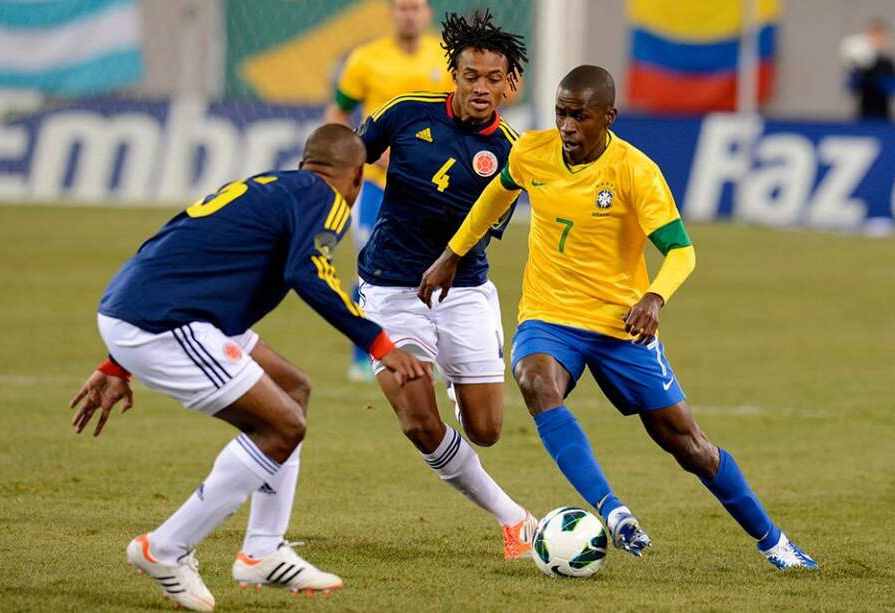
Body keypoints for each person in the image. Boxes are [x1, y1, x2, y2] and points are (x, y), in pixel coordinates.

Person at [419, 65, 819, 571]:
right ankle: (613, 511)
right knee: (534, 379)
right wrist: (452, 254)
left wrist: (654, 297)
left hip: (620, 324)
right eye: (561, 113)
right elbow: (497, 194)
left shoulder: (635, 170)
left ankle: (774, 542)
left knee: (688, 445)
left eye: (579, 116)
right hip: (550, 315)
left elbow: (680, 252)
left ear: (607, 117)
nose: (566, 126)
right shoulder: (530, 153)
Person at [69, 125, 428, 611]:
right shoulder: (328, 198)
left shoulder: (272, 186)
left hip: (158, 309)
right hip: (164, 322)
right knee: (281, 426)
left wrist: (117, 362)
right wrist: (379, 342)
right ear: (355, 178)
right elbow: (309, 271)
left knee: (292, 388)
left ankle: (262, 550)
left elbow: (172, 240)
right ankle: (165, 549)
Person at [355, 11, 536, 559]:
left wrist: (447, 263)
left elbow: (478, 235)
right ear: (453, 75)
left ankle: (460, 387)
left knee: (485, 430)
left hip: (465, 291)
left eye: (492, 79)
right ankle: (515, 519)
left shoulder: (512, 151)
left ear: (510, 84)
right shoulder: (405, 114)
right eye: (470, 76)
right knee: (415, 413)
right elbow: (349, 160)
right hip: (390, 289)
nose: (481, 88)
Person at [325, 0, 454, 382]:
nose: (408, 14)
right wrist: (358, 149)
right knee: (371, 264)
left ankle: (442, 353)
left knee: (440, 266)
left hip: (435, 188)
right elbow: (337, 110)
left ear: (427, 13)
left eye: (415, 7)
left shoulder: (446, 58)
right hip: (379, 187)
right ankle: (363, 356)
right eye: (401, 7)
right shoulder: (365, 59)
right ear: (391, 13)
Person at [840, 18, 895, 120]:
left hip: (883, 117)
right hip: (863, 116)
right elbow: (849, 87)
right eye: (872, 36)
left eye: (879, 37)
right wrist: (860, 73)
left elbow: (891, 88)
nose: (876, 40)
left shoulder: (886, 63)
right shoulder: (859, 64)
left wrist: (876, 77)